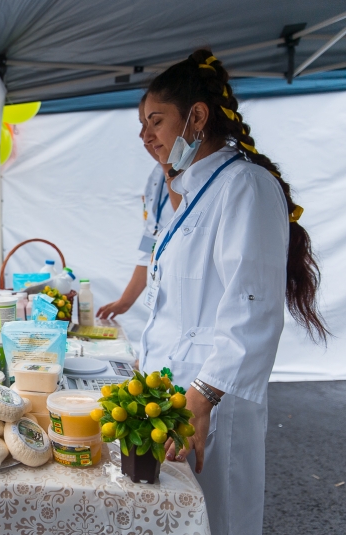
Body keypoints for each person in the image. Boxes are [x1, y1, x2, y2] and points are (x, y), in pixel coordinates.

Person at [140, 50, 327, 535]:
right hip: (176, 395)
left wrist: (203, 394)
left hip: (212, 399)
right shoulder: (195, 190)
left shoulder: (245, 184)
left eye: (156, 121)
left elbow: (254, 306)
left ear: (197, 116)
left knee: (219, 521)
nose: (146, 137)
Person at [97, 97, 181, 319]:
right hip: (165, 306)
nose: (144, 135)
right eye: (143, 124)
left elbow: (185, 218)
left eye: (155, 122)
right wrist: (125, 302)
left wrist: (169, 166)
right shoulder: (158, 175)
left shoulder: (197, 176)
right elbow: (150, 245)